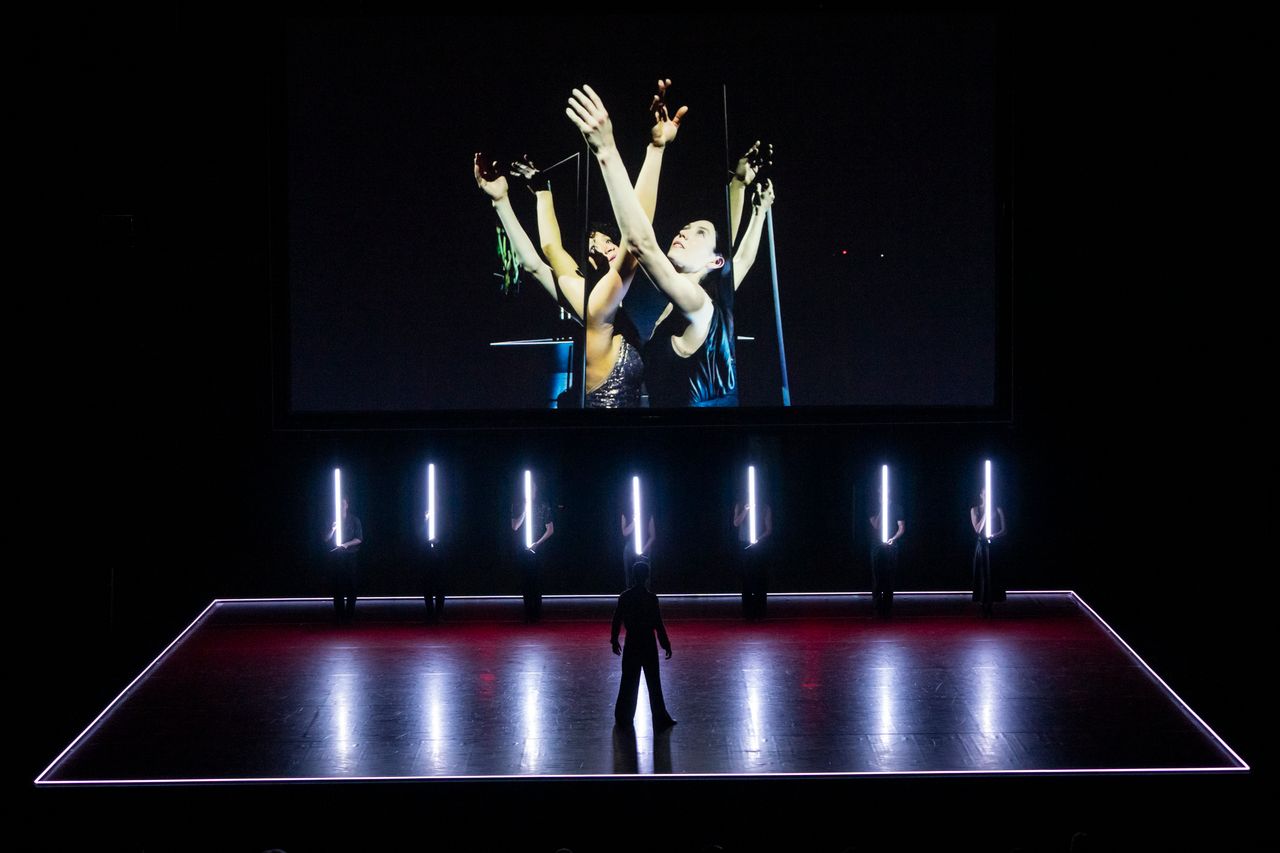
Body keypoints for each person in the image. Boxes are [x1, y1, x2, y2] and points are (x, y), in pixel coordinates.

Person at [474, 80, 686, 407]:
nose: (607, 245)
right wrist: (654, 151)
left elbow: (537, 261)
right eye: (596, 244)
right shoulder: (596, 309)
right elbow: (633, 238)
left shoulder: (615, 315)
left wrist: (513, 199)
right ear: (587, 260)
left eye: (608, 239)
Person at [566, 84, 775, 407]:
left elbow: (641, 245)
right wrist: (742, 190)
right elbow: (738, 256)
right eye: (686, 227)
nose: (684, 232)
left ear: (713, 262)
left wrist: (606, 150)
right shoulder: (693, 302)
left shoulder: (697, 304)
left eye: (698, 234)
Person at [611, 559, 676, 731]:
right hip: (647, 642)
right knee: (653, 681)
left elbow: (617, 619)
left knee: (628, 680)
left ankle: (623, 716)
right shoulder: (651, 598)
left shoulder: (625, 597)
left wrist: (614, 639)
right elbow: (658, 623)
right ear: (647, 577)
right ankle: (660, 716)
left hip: (632, 641)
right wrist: (665, 643)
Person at [512, 475, 554, 622]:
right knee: (526, 582)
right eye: (529, 489)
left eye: (534, 489)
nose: (532, 492)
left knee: (537, 581)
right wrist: (525, 510)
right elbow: (515, 526)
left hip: (538, 549)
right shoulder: (517, 505)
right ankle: (528, 613)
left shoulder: (543, 505)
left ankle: (537, 613)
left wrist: (538, 543)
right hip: (523, 550)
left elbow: (550, 529)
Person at [323, 496, 363, 623]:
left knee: (351, 585)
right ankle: (339, 615)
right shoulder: (332, 519)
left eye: (343, 504)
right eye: (338, 504)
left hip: (350, 556)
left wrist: (347, 544)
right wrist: (332, 529)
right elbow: (326, 539)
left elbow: (359, 538)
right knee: (337, 586)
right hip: (337, 557)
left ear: (347, 505)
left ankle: (349, 615)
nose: (340, 506)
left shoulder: (354, 520)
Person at [733, 492, 773, 620]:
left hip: (759, 548)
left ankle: (760, 611)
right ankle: (747, 612)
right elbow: (736, 523)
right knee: (746, 578)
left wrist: (758, 539)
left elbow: (769, 529)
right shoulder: (740, 505)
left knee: (759, 577)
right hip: (744, 546)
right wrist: (745, 510)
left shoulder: (765, 507)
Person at [970, 488, 1007, 617]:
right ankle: (982, 602)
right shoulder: (975, 510)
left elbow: (1004, 530)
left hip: (995, 547)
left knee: (993, 574)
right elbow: (978, 529)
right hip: (982, 546)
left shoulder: (998, 509)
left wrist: (994, 536)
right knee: (983, 574)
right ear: (981, 495)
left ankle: (991, 603)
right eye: (985, 494)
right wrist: (985, 513)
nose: (988, 496)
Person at [869, 496, 904, 617]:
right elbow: (876, 525)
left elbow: (901, 527)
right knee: (877, 576)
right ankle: (877, 608)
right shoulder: (873, 508)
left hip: (891, 545)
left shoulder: (897, 507)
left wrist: (893, 539)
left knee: (890, 577)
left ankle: (888, 608)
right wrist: (882, 509)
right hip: (876, 546)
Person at [620, 494, 656, 590]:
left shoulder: (648, 514)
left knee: (645, 577)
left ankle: (645, 598)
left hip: (645, 548)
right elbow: (625, 532)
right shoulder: (626, 513)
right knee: (630, 576)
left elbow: (652, 536)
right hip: (630, 548)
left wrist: (643, 550)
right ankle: (629, 598)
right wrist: (635, 521)